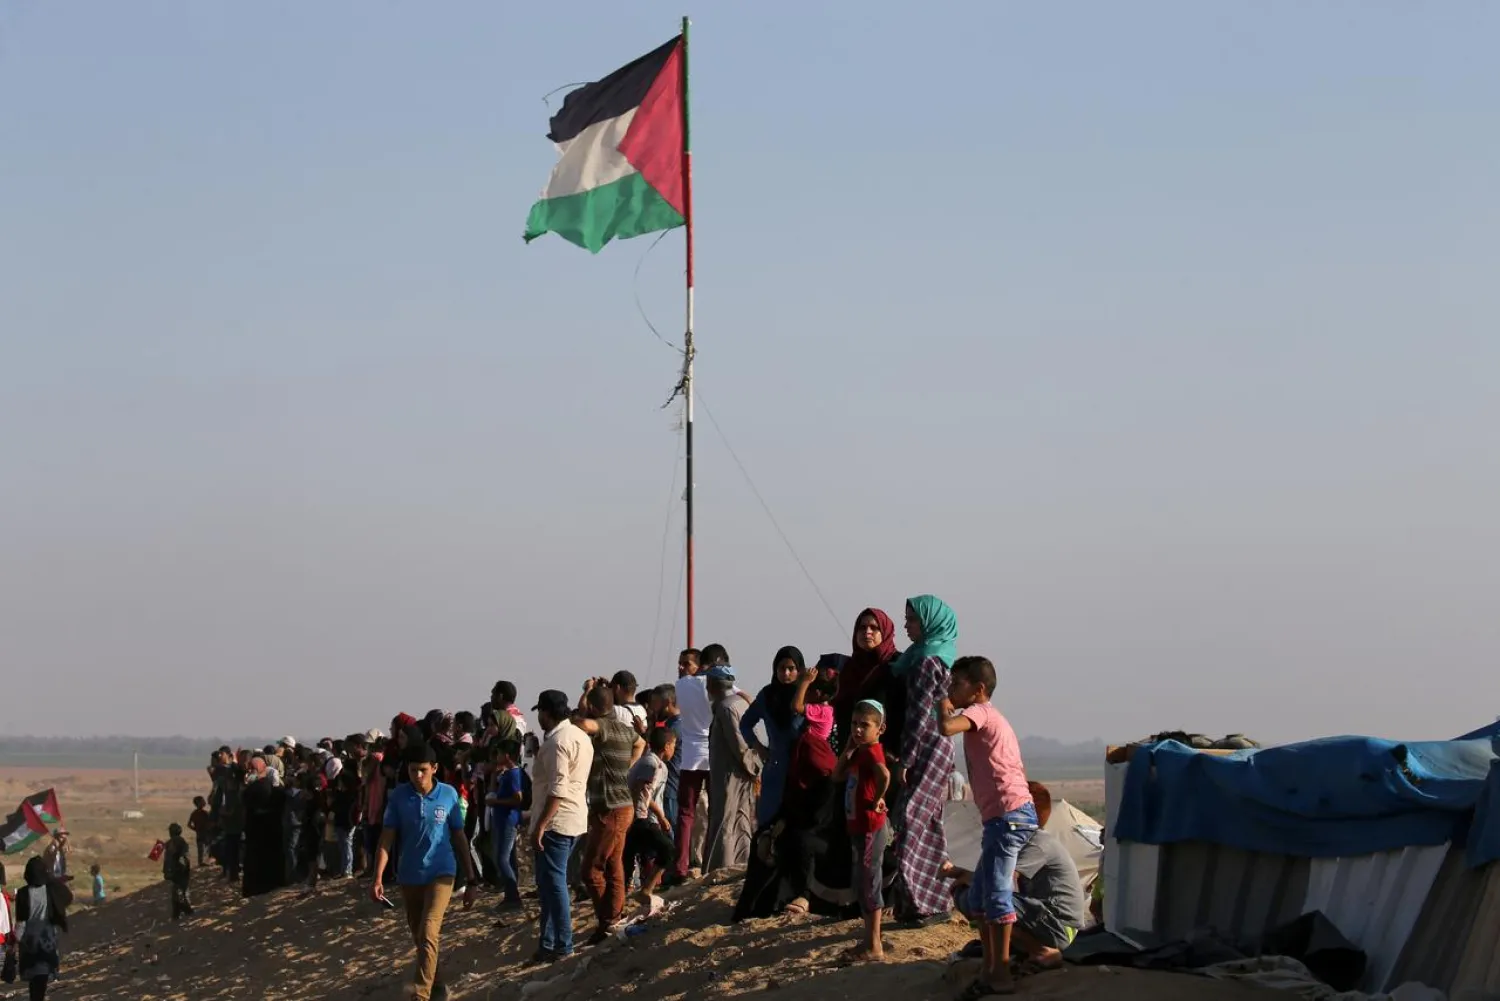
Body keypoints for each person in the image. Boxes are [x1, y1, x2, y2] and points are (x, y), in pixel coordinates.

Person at [940, 655, 1037, 997]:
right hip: (1004, 817)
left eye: (956, 683)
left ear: (978, 690)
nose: (951, 688)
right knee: (979, 896)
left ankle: (1001, 972)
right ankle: (989, 966)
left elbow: (946, 728)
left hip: (1008, 817)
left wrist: (942, 703)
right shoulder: (989, 716)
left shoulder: (980, 712)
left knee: (997, 896)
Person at [372, 737, 476, 1001]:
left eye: (423, 769)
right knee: (420, 937)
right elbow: (387, 838)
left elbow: (459, 836)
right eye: (412, 770)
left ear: (434, 768)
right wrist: (378, 877)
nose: (418, 775)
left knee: (430, 930)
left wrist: (472, 878)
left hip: (442, 872)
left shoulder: (449, 795)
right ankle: (438, 984)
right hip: (409, 875)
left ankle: (420, 994)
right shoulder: (398, 796)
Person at [890, 595, 959, 927]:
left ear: (929, 622)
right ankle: (923, 901)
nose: (906, 626)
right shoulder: (939, 658)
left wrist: (906, 759)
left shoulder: (925, 662)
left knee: (911, 822)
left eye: (912, 620)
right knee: (928, 821)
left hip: (926, 748)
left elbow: (918, 716)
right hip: (939, 748)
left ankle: (925, 903)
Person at [575, 684, 646, 944]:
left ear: (593, 707)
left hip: (609, 808)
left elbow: (584, 724)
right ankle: (612, 918)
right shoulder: (625, 730)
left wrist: (583, 701)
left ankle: (607, 921)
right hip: (621, 805)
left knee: (591, 870)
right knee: (614, 866)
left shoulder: (602, 727)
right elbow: (642, 742)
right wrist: (629, 764)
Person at [528, 690, 593, 965]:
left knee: (554, 885)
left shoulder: (558, 741)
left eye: (540, 713)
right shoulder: (579, 735)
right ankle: (548, 944)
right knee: (548, 883)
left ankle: (563, 945)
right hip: (572, 818)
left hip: (557, 821)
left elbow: (558, 789)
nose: (539, 718)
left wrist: (541, 825)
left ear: (546, 712)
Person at [835, 700, 891, 963]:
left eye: (864, 725)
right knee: (865, 882)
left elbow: (884, 775)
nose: (858, 730)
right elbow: (836, 776)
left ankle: (874, 946)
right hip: (858, 827)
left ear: (880, 729)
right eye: (854, 724)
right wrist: (848, 747)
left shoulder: (872, 752)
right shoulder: (859, 751)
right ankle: (870, 940)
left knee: (869, 883)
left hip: (870, 827)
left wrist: (878, 798)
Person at [740, 646, 808, 830]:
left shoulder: (807, 695)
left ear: (799, 670)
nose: (786, 673)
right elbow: (745, 724)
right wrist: (759, 749)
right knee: (769, 824)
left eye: (791, 669)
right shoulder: (767, 696)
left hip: (802, 769)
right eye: (781, 668)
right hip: (775, 768)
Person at [705, 663, 759, 871]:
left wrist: (752, 767)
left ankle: (723, 866)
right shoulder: (740, 703)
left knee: (726, 820)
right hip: (737, 771)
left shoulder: (727, 707)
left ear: (712, 685)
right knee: (740, 818)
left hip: (731, 773)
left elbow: (739, 743)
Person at [834, 608, 900, 752]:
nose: (867, 632)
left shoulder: (897, 665)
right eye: (862, 628)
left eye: (874, 628)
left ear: (885, 632)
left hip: (887, 755)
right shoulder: (848, 669)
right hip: (851, 755)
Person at [671, 646, 712, 881]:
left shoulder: (683, 685)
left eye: (686, 663)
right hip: (705, 754)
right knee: (706, 812)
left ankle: (682, 866)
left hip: (694, 755)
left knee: (686, 813)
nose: (681, 668)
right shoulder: (715, 685)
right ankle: (699, 863)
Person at [624, 727, 678, 901]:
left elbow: (647, 795)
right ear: (667, 746)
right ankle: (645, 890)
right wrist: (657, 817)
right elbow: (640, 793)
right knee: (667, 849)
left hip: (642, 817)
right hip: (639, 818)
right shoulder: (651, 764)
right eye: (674, 745)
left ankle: (630, 892)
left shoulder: (655, 763)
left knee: (630, 857)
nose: (674, 749)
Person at [15, 856, 70, 1001]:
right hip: (47, 940)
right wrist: (50, 877)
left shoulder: (22, 893)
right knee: (42, 977)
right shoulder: (50, 890)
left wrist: (14, 942)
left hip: (29, 942)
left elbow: (20, 922)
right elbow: (67, 896)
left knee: (34, 981)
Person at [485, 739, 525, 910]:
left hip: (508, 821)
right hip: (503, 820)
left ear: (507, 756)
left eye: (499, 753)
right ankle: (511, 894)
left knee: (501, 859)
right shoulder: (507, 773)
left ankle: (513, 897)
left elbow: (518, 798)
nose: (497, 757)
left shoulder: (514, 774)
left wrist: (497, 802)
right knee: (507, 858)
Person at [241, 756, 286, 897]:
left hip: (258, 832)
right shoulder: (275, 790)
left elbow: (246, 801)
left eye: (252, 769)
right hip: (269, 831)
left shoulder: (256, 788)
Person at [163, 823, 193, 920]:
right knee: (182, 890)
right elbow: (185, 857)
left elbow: (167, 859)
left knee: (177, 891)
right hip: (182, 870)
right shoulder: (182, 841)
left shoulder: (169, 843)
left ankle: (180, 912)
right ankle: (183, 912)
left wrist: (166, 871)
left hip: (175, 870)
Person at [187, 796, 212, 867]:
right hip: (206, 834)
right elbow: (210, 823)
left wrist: (196, 829)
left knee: (200, 850)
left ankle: (200, 862)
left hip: (199, 834)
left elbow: (189, 824)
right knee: (208, 849)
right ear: (199, 803)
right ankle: (205, 862)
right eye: (202, 801)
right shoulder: (205, 813)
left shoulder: (194, 813)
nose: (204, 802)